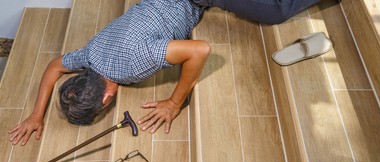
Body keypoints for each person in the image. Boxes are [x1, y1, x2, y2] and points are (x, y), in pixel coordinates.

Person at [9, 0, 322, 146]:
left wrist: (174, 103)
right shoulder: (90, 55)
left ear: (107, 99)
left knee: (277, 10)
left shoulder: (134, 64)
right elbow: (53, 66)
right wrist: (37, 114)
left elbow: (200, 50)